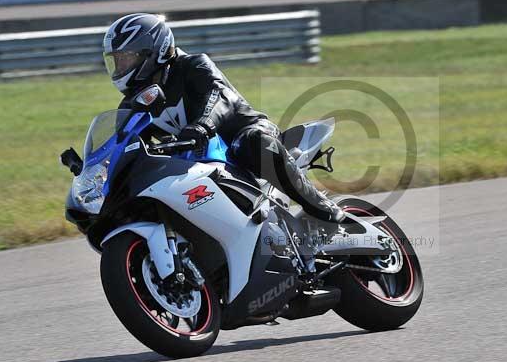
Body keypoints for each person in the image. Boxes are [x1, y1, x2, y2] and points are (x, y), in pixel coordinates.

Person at [103, 13, 344, 225]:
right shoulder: (132, 105)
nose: (120, 66)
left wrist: (201, 125)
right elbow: (127, 147)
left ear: (152, 51)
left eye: (126, 58)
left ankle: (323, 207)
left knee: (253, 141)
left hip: (241, 133)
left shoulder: (193, 65)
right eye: (117, 60)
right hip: (197, 157)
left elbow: (219, 97)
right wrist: (98, 167)